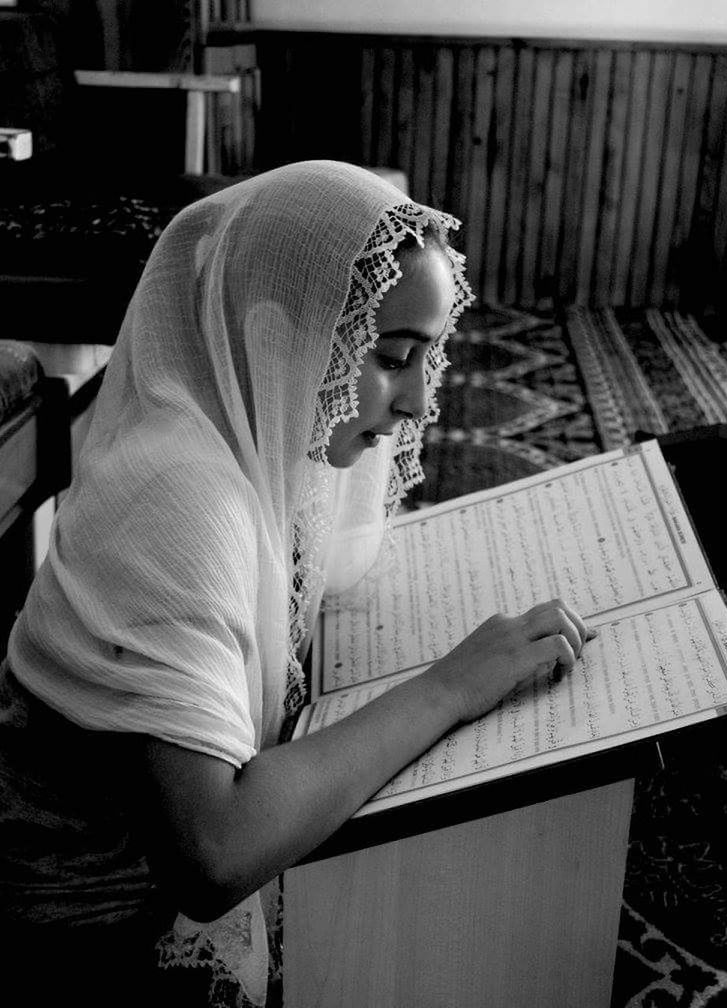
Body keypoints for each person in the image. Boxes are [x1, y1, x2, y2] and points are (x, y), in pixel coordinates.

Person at [0, 160, 594, 1006]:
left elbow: (337, 570)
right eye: (392, 356)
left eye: (428, 357)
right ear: (294, 334)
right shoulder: (180, 492)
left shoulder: (254, 435)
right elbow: (215, 853)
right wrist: (450, 686)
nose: (419, 403)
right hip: (69, 929)